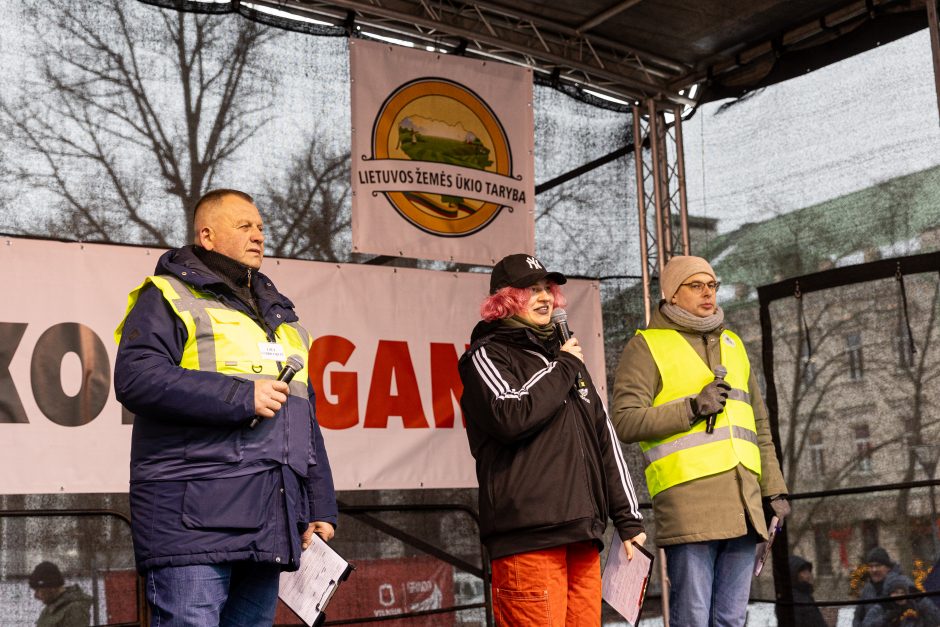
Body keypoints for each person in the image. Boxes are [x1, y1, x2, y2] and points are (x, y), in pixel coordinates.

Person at [114, 189, 338, 625]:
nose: (258, 235)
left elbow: (304, 422)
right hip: (193, 524)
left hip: (270, 521)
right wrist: (240, 395)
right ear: (208, 236)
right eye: (244, 226)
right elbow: (136, 378)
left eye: (260, 226)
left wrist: (319, 506)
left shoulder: (285, 322)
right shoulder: (166, 296)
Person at [458, 253, 646, 625]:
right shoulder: (486, 355)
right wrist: (562, 366)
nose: (546, 297)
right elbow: (511, 415)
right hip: (528, 539)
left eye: (548, 289)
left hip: (582, 534)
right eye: (532, 290)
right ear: (506, 300)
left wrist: (630, 520)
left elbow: (603, 438)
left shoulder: (566, 360)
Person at [611, 254, 789, 626]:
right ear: (672, 295)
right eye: (696, 285)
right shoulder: (645, 346)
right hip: (689, 505)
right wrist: (692, 407)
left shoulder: (734, 344)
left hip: (744, 505)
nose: (708, 293)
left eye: (712, 285)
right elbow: (625, 421)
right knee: (693, 618)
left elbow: (759, 423)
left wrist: (775, 489)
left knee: (731, 619)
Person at [862, 572, 940, 627]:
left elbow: (935, 620)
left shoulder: (915, 608)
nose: (899, 596)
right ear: (889, 594)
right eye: (895, 592)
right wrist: (885, 619)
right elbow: (866, 625)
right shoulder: (881, 608)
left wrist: (921, 599)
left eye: (902, 592)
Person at [28, 561, 92, 627]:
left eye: (38, 590)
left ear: (52, 587)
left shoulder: (75, 609)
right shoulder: (51, 608)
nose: (36, 596)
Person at [856, 547, 903, 627]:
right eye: (871, 566)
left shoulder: (900, 586)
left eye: (878, 566)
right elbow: (858, 616)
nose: (874, 570)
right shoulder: (867, 589)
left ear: (888, 567)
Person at [790, 555, 828, 627]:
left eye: (808, 571)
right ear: (793, 575)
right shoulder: (792, 598)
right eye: (803, 572)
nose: (808, 575)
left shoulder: (805, 595)